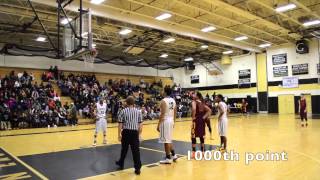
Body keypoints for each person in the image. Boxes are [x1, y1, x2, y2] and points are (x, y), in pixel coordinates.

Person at [116, 96, 143, 175]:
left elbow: (120, 124)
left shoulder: (123, 111)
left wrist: (119, 134)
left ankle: (121, 163)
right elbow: (140, 124)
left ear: (126, 103)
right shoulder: (138, 111)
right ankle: (137, 168)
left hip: (126, 132)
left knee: (124, 149)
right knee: (136, 151)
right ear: (133, 103)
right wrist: (139, 134)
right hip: (135, 132)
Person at [157, 86, 178, 164]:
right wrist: (174, 121)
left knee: (165, 140)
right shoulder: (173, 100)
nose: (162, 92)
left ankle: (168, 158)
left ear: (165, 92)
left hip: (165, 121)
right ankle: (174, 155)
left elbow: (162, 114)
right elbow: (175, 112)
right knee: (169, 139)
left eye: (163, 90)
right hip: (171, 120)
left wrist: (158, 124)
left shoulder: (163, 101)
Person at [191, 92, 211, 157]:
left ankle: (194, 152)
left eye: (195, 94)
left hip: (196, 120)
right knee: (201, 136)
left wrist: (193, 117)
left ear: (197, 96)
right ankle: (203, 151)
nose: (193, 95)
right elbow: (209, 110)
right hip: (201, 120)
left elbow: (194, 109)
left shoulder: (194, 102)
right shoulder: (202, 103)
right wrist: (204, 117)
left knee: (193, 136)